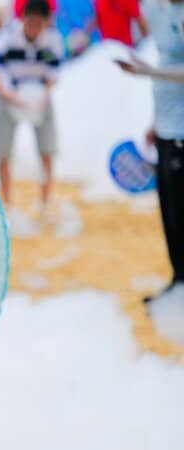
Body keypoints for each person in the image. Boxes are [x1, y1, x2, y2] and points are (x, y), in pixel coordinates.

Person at [117, 0, 184, 306]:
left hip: (182, 132)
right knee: (170, 212)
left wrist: (149, 72)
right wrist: (155, 122)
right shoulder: (161, 9)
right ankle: (178, 282)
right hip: (167, 128)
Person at [0, 0, 64, 218]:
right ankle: (6, 204)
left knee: (47, 150)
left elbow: (55, 72)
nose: (34, 29)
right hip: (9, 96)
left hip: (40, 97)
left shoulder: (53, 39)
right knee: (4, 152)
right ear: (22, 19)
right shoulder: (6, 37)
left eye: (39, 24)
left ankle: (45, 202)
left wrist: (43, 95)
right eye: (31, 23)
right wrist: (10, 95)